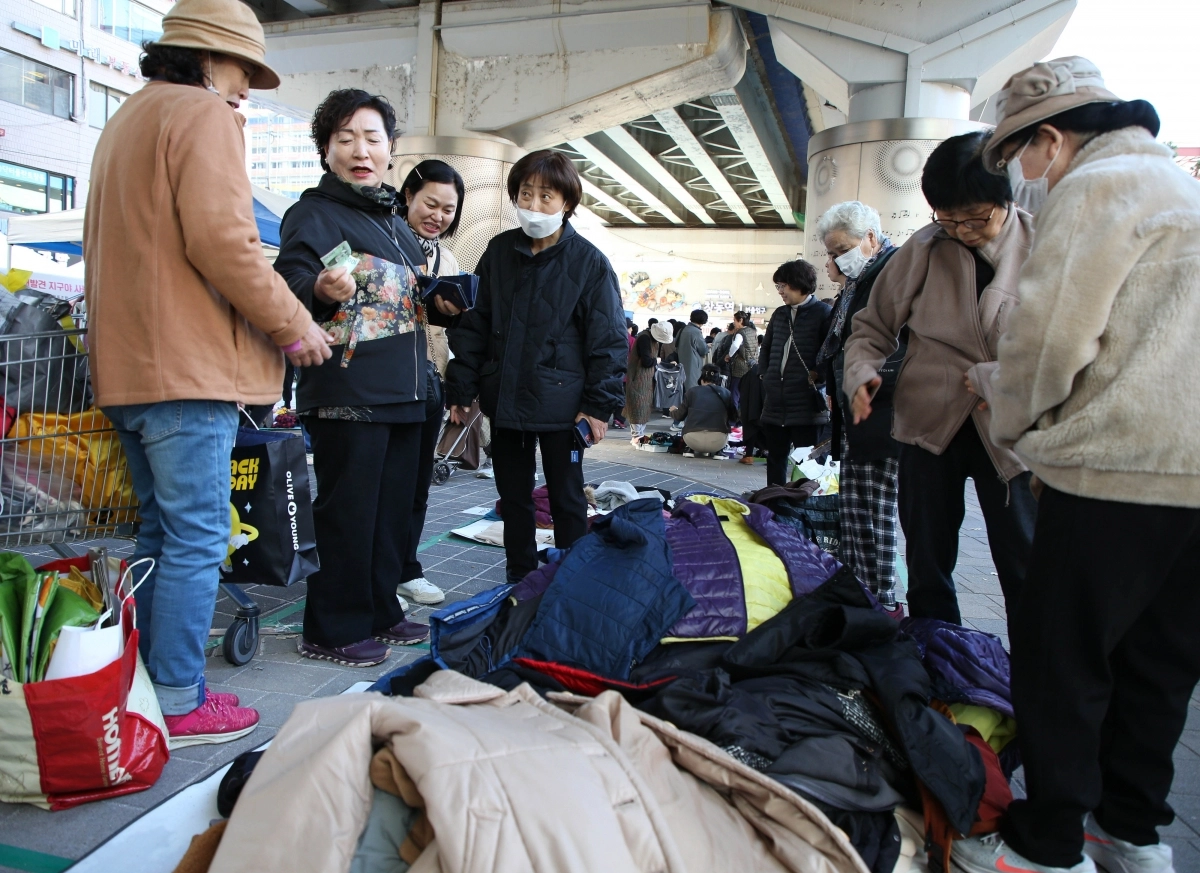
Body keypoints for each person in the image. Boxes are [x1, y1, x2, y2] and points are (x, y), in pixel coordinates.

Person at [949, 58, 1200, 873]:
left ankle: (1050, 839)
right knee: (1161, 663)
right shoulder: (1181, 189)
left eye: (1020, 157)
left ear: (1050, 139)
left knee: (1064, 656)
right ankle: (1134, 832)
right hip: (1190, 472)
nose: (1022, 177)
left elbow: (1051, 336)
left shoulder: (1096, 188)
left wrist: (1012, 418)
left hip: (1109, 469)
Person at [83, 0, 334, 744]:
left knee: (158, 535)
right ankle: (181, 698)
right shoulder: (200, 116)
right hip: (189, 372)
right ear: (205, 59)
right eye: (240, 70)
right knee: (195, 538)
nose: (245, 89)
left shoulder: (128, 119)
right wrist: (296, 326)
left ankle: (145, 690)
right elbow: (224, 242)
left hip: (131, 371)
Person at [274, 90, 458, 666]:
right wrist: (319, 289)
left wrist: (443, 304)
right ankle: (331, 627)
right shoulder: (313, 213)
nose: (361, 150)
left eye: (373, 139)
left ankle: (380, 607)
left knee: (390, 514)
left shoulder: (396, 224)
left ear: (390, 150)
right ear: (326, 148)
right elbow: (290, 279)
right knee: (349, 514)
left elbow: (409, 300)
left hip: (406, 390)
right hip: (348, 391)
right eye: (346, 138)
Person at [844, 130, 1037, 627]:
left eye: (975, 218)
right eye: (947, 218)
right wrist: (862, 374)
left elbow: (1070, 347)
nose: (962, 230)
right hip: (929, 425)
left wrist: (1002, 376)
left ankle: (1033, 683)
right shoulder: (925, 247)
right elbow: (871, 327)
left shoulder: (1046, 247)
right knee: (927, 563)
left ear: (1005, 200)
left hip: (1011, 431)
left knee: (1026, 565)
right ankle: (938, 661)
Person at [447, 150, 626, 584]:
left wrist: (598, 407)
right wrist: (462, 390)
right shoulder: (497, 251)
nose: (534, 205)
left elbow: (608, 340)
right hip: (505, 399)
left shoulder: (589, 262)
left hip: (563, 409)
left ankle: (570, 580)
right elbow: (475, 324)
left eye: (546, 196)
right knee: (514, 496)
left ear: (567, 202)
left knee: (567, 497)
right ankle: (521, 578)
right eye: (526, 194)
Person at [813, 201, 904, 615]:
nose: (836, 259)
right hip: (857, 409)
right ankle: (863, 589)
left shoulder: (894, 272)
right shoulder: (860, 278)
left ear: (870, 237)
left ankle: (879, 598)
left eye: (842, 249)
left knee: (872, 509)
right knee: (856, 506)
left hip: (880, 409)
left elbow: (893, 344)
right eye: (830, 253)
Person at [393, 159, 467, 608]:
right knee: (385, 484)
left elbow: (457, 331)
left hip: (428, 382)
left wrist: (457, 391)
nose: (438, 216)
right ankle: (376, 573)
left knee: (417, 484)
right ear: (408, 198)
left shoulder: (448, 256)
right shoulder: (381, 237)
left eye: (448, 209)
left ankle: (406, 569)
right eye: (430, 204)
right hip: (381, 383)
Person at [758, 260, 832, 487]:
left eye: (784, 286)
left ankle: (804, 505)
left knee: (807, 461)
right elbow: (767, 348)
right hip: (775, 401)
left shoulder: (823, 313)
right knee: (775, 458)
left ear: (800, 285)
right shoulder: (780, 314)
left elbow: (831, 352)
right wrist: (765, 375)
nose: (780, 291)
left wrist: (818, 375)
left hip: (805, 403)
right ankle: (774, 501)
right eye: (778, 286)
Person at [670, 363, 738, 457]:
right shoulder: (726, 393)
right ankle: (718, 452)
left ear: (701, 379)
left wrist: (672, 411)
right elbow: (733, 418)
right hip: (718, 441)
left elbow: (679, 416)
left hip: (692, 440)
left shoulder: (691, 392)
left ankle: (689, 449)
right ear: (718, 380)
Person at [624, 321, 673, 442]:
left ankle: (639, 435)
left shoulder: (649, 337)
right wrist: (658, 360)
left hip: (646, 378)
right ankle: (636, 436)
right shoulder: (644, 338)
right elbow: (647, 361)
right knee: (637, 406)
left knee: (644, 406)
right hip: (638, 377)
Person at [726, 310, 758, 408]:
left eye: (734, 320)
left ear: (740, 320)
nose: (733, 323)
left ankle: (733, 417)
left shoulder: (741, 333)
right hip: (752, 365)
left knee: (735, 391)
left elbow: (735, 346)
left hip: (741, 365)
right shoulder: (752, 331)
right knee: (746, 392)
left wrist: (729, 355)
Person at [677, 309, 709, 390]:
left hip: (680, 365)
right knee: (692, 392)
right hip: (692, 367)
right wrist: (707, 346)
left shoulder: (682, 330)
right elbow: (703, 350)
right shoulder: (696, 332)